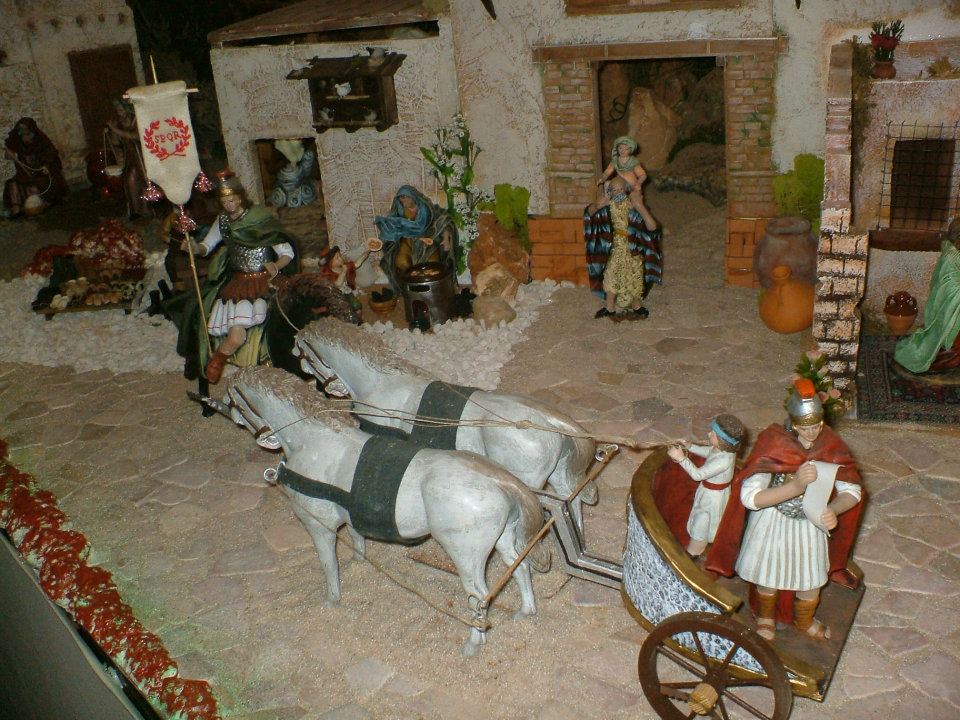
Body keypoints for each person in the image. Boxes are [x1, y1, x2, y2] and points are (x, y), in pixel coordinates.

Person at [705, 378, 865, 642]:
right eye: (805, 427)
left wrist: (834, 509)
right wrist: (795, 486)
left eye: (816, 426)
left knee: (811, 581)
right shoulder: (774, 444)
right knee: (768, 575)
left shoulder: (831, 447)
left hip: (810, 527)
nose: (812, 432)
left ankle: (804, 620)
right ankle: (765, 617)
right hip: (772, 523)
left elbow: (851, 490)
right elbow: (750, 496)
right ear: (794, 424)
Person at [179, 171, 298, 384]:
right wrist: (194, 247)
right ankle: (218, 359)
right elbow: (207, 246)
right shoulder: (223, 221)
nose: (229, 205)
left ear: (240, 198)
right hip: (240, 284)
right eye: (224, 201)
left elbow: (286, 252)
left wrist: (276, 266)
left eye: (232, 200)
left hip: (266, 281)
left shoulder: (258, 219)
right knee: (234, 333)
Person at [584, 175, 662, 319]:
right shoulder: (608, 209)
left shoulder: (633, 208)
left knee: (634, 277)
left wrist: (640, 207)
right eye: (614, 190)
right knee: (611, 275)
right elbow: (589, 214)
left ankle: (636, 305)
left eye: (621, 189)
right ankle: (610, 307)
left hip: (633, 249)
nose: (618, 193)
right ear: (610, 192)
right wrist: (597, 205)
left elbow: (652, 227)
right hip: (615, 248)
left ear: (626, 190)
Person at [666, 414, 744, 557]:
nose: (708, 434)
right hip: (708, 491)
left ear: (722, 440)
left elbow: (698, 475)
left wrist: (681, 458)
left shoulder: (724, 460)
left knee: (703, 521)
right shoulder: (720, 450)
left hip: (713, 497)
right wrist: (690, 447)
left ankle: (694, 550)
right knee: (701, 515)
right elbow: (709, 452)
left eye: (712, 434)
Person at [894, 219, 960, 374]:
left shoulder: (955, 253)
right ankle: (947, 358)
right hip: (951, 307)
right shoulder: (951, 257)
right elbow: (950, 287)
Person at [374, 185, 457, 294]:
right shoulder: (400, 210)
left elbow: (445, 219)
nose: (403, 202)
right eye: (401, 199)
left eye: (405, 199)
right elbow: (391, 224)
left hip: (426, 242)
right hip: (406, 241)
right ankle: (410, 292)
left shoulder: (427, 208)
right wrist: (387, 233)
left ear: (412, 197)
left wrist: (446, 239)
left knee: (433, 265)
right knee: (401, 262)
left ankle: (432, 292)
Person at [3, 117, 68, 218]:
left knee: (38, 184)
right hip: (23, 174)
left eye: (26, 130)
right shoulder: (17, 140)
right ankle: (16, 209)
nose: (24, 133)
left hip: (41, 173)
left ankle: (43, 204)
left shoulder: (41, 140)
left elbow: (52, 156)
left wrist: (46, 166)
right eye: (21, 130)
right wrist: (10, 154)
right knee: (13, 184)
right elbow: (7, 155)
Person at [595, 136, 656, 225]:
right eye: (620, 148)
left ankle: (640, 215)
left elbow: (643, 175)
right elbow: (607, 172)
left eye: (626, 149)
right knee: (607, 184)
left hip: (631, 186)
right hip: (618, 185)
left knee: (635, 200)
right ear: (617, 148)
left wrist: (639, 183)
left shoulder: (633, 162)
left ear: (630, 150)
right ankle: (608, 201)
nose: (623, 151)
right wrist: (602, 178)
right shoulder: (615, 161)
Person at [106, 99, 150, 219]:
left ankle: (147, 210)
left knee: (143, 181)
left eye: (121, 110)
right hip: (130, 157)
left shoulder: (136, 120)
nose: (119, 113)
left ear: (128, 109)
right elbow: (116, 142)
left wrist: (116, 130)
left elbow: (135, 136)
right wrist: (112, 131)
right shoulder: (119, 123)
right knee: (130, 181)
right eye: (117, 110)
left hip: (141, 157)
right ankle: (136, 211)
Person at [319, 245, 362, 312]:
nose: (341, 259)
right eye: (337, 258)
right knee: (342, 309)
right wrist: (343, 272)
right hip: (335, 295)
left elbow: (357, 264)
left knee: (357, 306)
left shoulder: (343, 266)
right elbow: (337, 284)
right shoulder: (327, 274)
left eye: (340, 255)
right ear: (330, 262)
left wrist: (368, 250)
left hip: (346, 291)